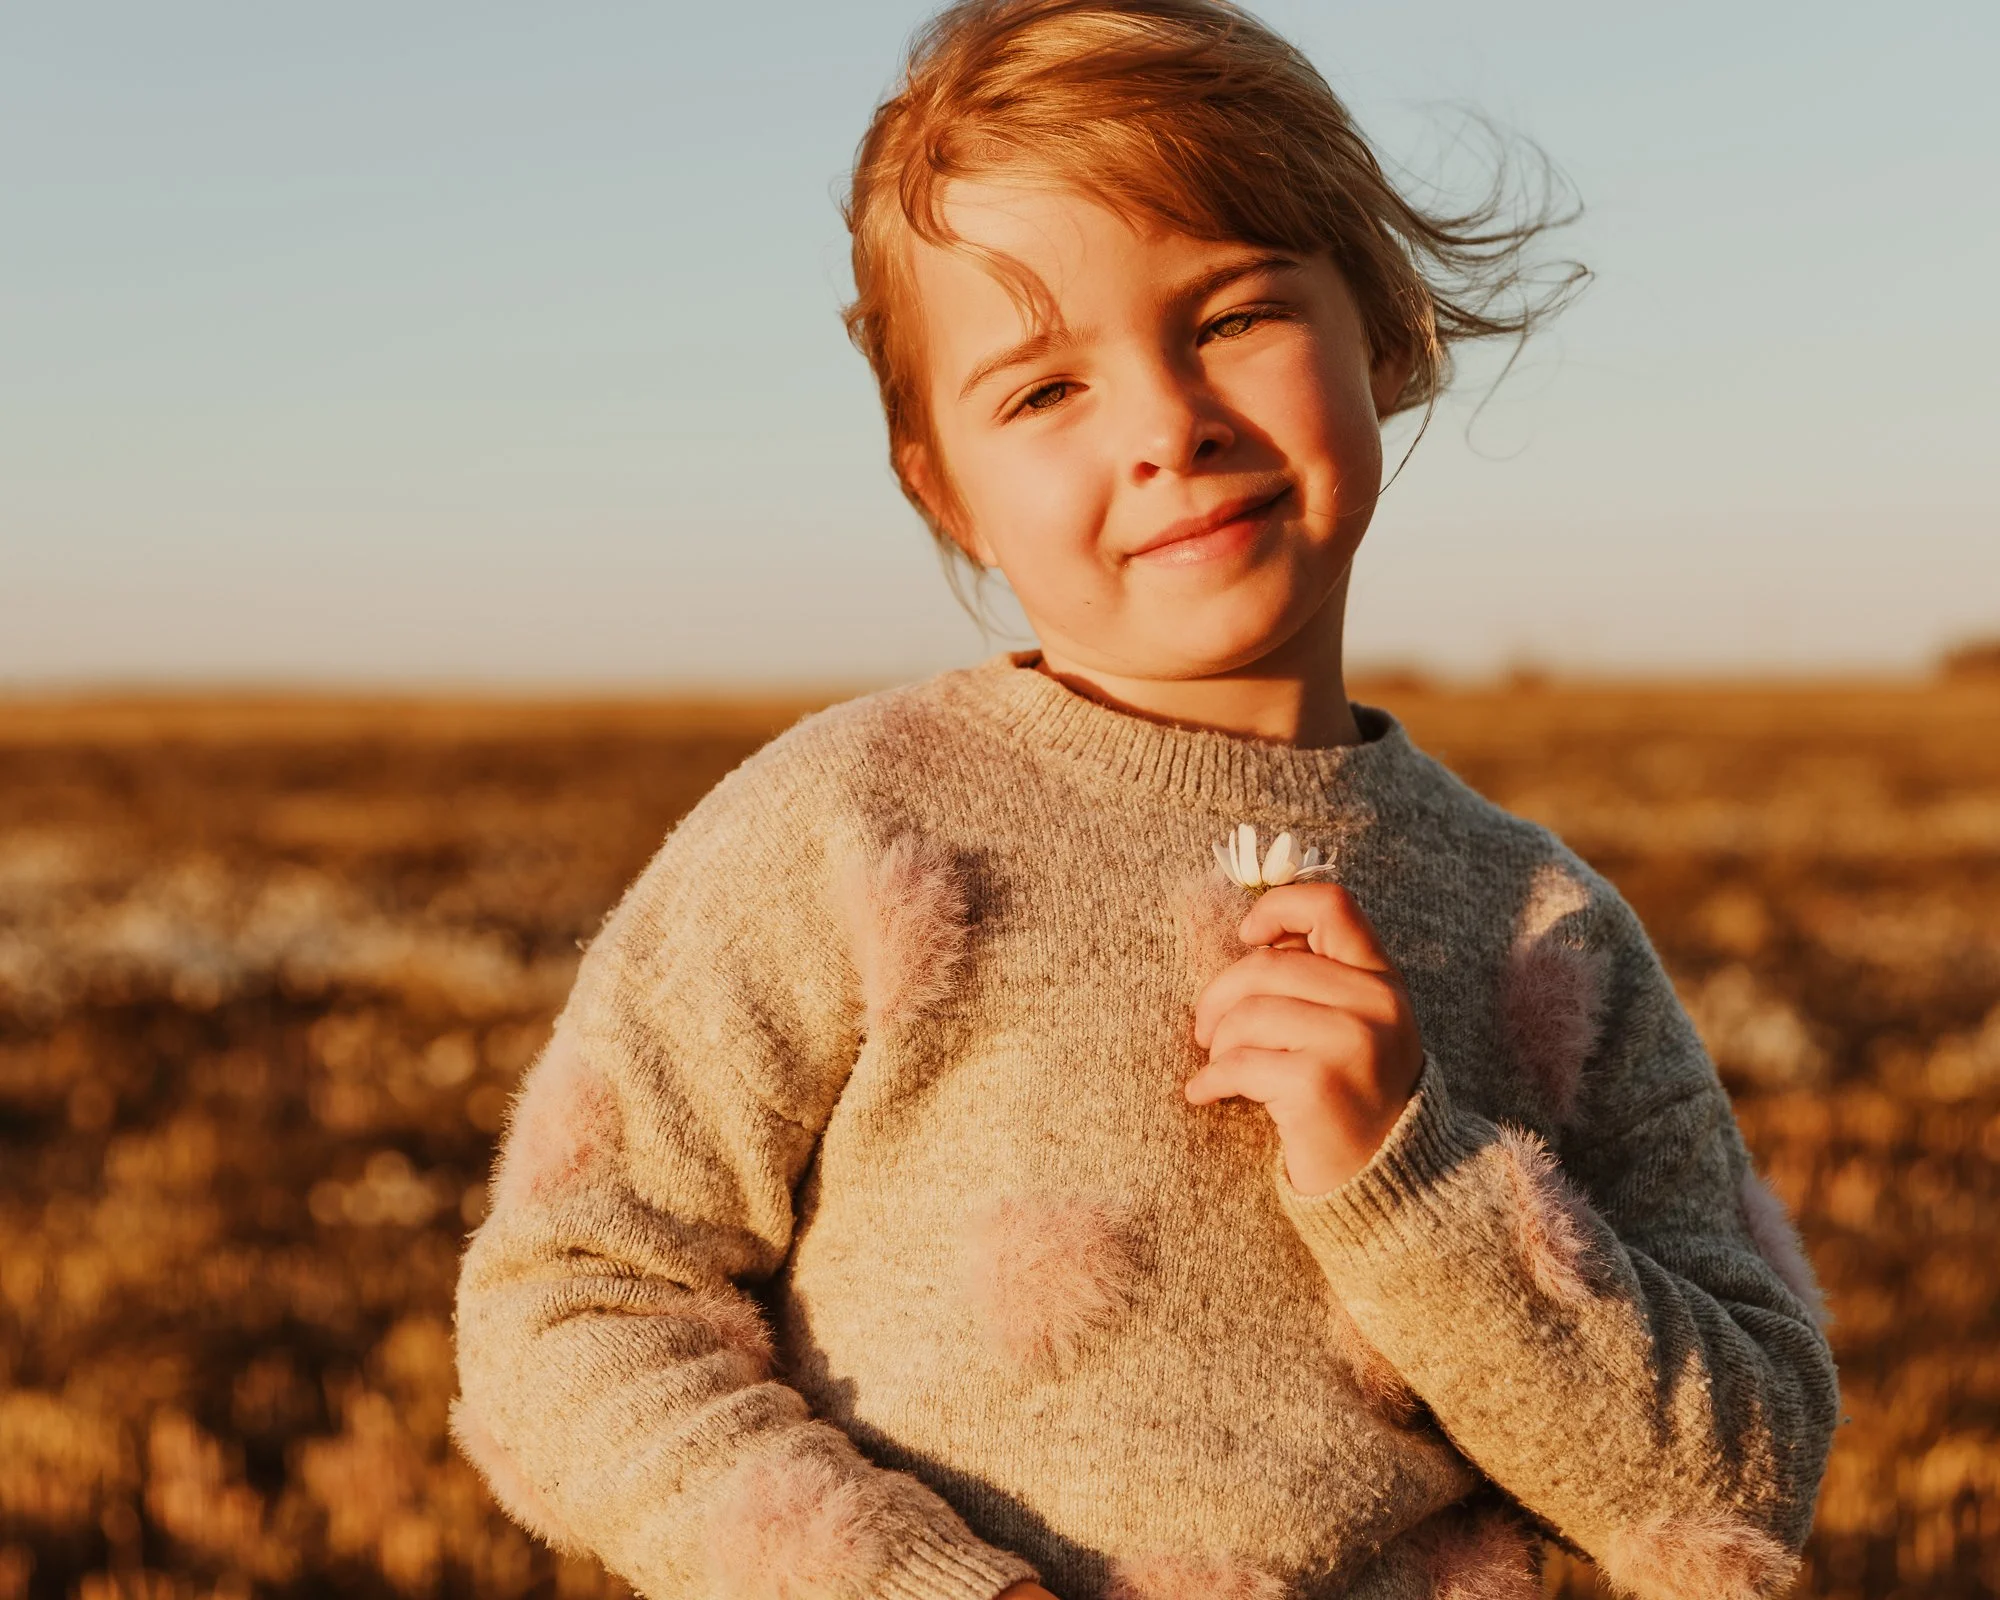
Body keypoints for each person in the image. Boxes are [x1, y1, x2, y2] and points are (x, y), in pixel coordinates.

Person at [451, 2, 1838, 1596]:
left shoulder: (1547, 930)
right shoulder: (848, 831)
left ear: (1382, 328)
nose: (1167, 426)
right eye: (1042, 390)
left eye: (1233, 315)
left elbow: (1741, 1484)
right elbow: (568, 1303)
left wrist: (1415, 1168)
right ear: (937, 481)